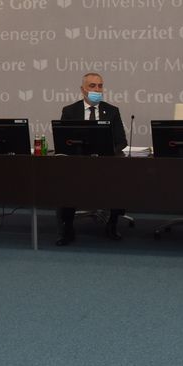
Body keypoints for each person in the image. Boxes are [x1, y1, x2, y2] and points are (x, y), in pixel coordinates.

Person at [55, 72, 128, 246]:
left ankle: (112, 224)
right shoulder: (70, 111)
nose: (97, 89)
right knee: (66, 180)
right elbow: (63, 140)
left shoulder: (112, 111)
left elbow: (122, 141)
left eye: (100, 86)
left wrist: (108, 152)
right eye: (92, 86)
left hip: (104, 164)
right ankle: (68, 228)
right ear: (83, 89)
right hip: (78, 164)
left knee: (119, 178)